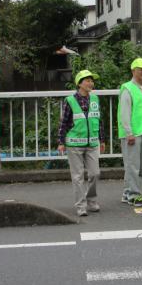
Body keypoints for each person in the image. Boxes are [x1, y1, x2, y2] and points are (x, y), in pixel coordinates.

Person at [57, 69, 105, 217]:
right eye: (87, 80)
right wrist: (61, 141)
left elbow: (99, 120)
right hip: (74, 144)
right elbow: (63, 122)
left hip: (92, 144)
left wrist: (102, 139)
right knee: (77, 177)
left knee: (95, 174)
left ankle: (91, 200)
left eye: (92, 80)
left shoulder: (95, 99)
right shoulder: (70, 100)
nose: (91, 83)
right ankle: (81, 205)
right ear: (79, 83)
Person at [117, 57, 142, 207]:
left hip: (140, 132)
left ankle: (127, 193)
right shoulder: (128, 88)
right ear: (133, 70)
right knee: (133, 165)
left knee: (134, 165)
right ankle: (134, 194)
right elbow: (124, 113)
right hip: (133, 133)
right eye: (141, 69)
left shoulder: (141, 89)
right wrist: (129, 133)